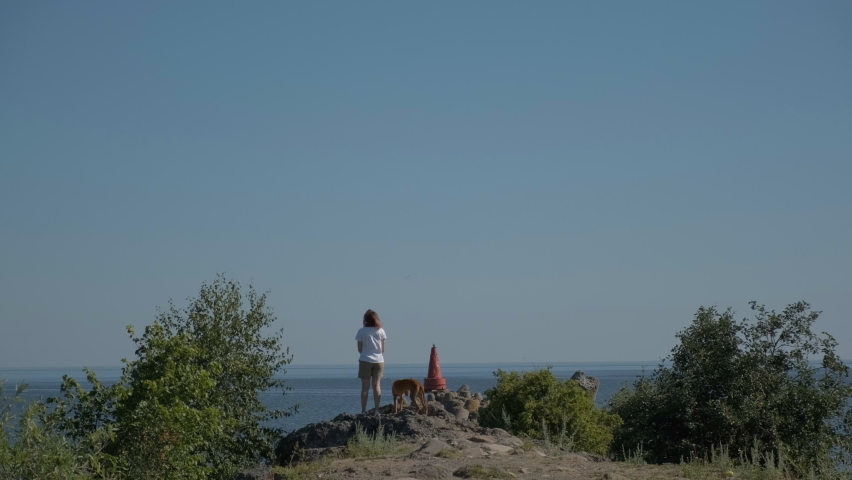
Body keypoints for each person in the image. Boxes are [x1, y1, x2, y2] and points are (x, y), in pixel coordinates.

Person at [356, 309, 387, 415]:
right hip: (379, 360)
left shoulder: (361, 331)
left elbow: (359, 349)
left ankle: (363, 410)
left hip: (365, 360)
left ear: (365, 320)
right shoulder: (381, 331)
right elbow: (383, 349)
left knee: (365, 387)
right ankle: (377, 410)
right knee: (377, 385)